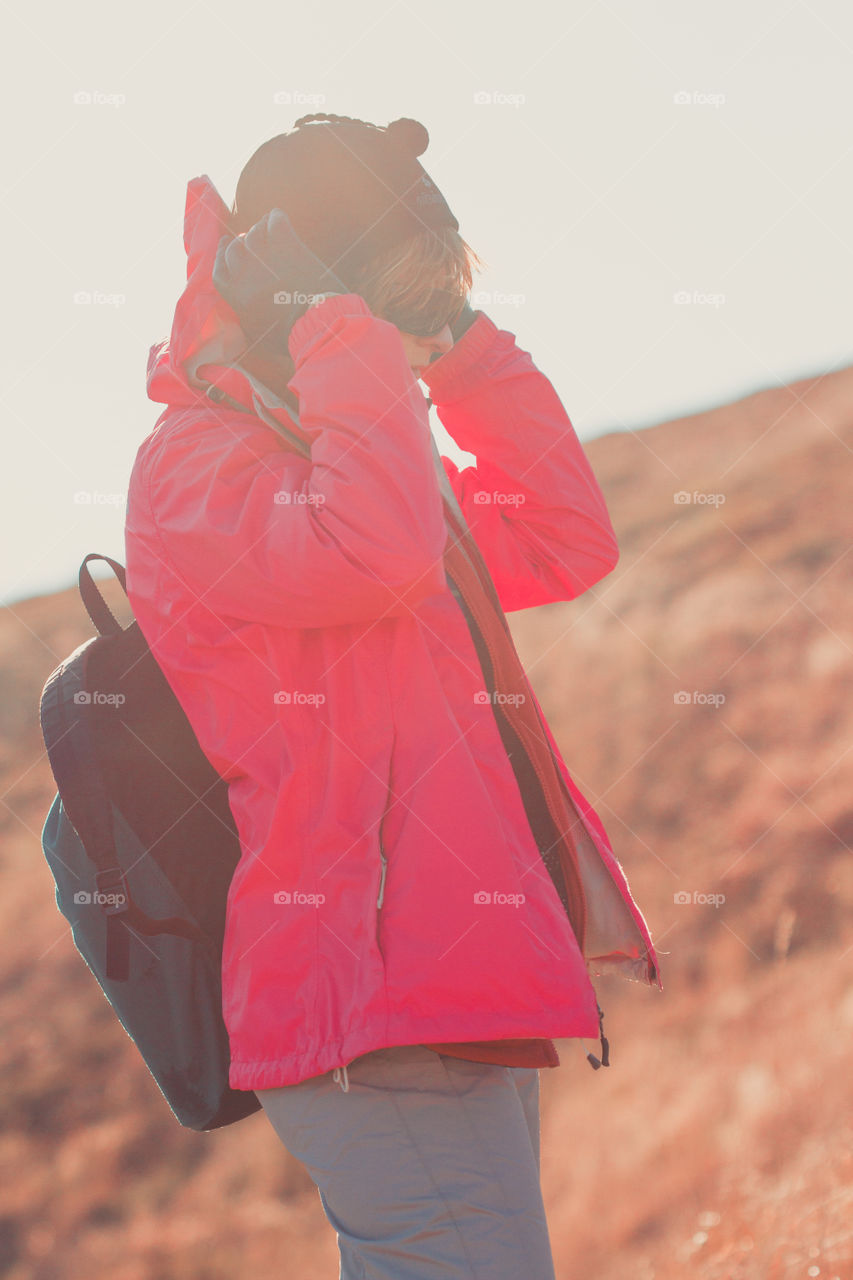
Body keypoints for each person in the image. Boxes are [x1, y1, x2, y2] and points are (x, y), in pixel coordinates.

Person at [125, 112, 662, 1280]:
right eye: (394, 312)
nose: (410, 350)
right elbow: (373, 549)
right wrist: (339, 333)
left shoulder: (362, 452)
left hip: (448, 980)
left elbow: (567, 537)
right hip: (366, 992)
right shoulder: (197, 466)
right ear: (299, 301)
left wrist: (460, 345)